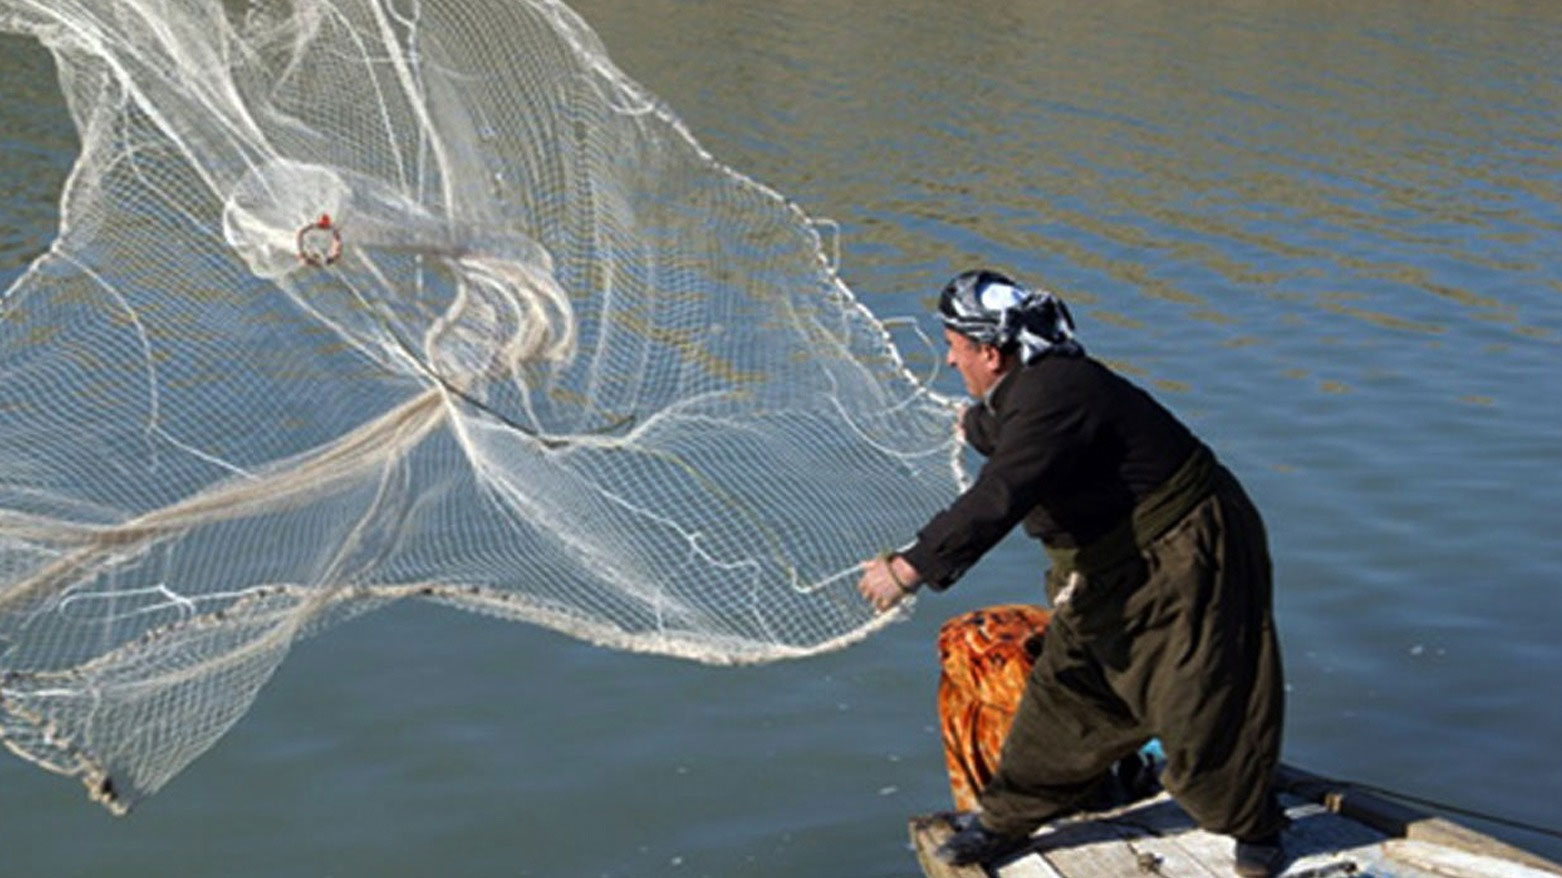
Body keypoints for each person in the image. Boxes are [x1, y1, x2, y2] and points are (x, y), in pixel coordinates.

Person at [857, 269, 1287, 877]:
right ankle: (1006, 820)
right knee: (1070, 688)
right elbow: (1012, 429)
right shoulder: (1033, 390)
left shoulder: (1058, 391)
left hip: (1189, 548)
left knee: (1197, 696)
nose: (952, 364)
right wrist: (972, 425)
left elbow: (1001, 493)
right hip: (1110, 565)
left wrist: (908, 568)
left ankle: (1255, 823)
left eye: (954, 349)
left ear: (990, 351)